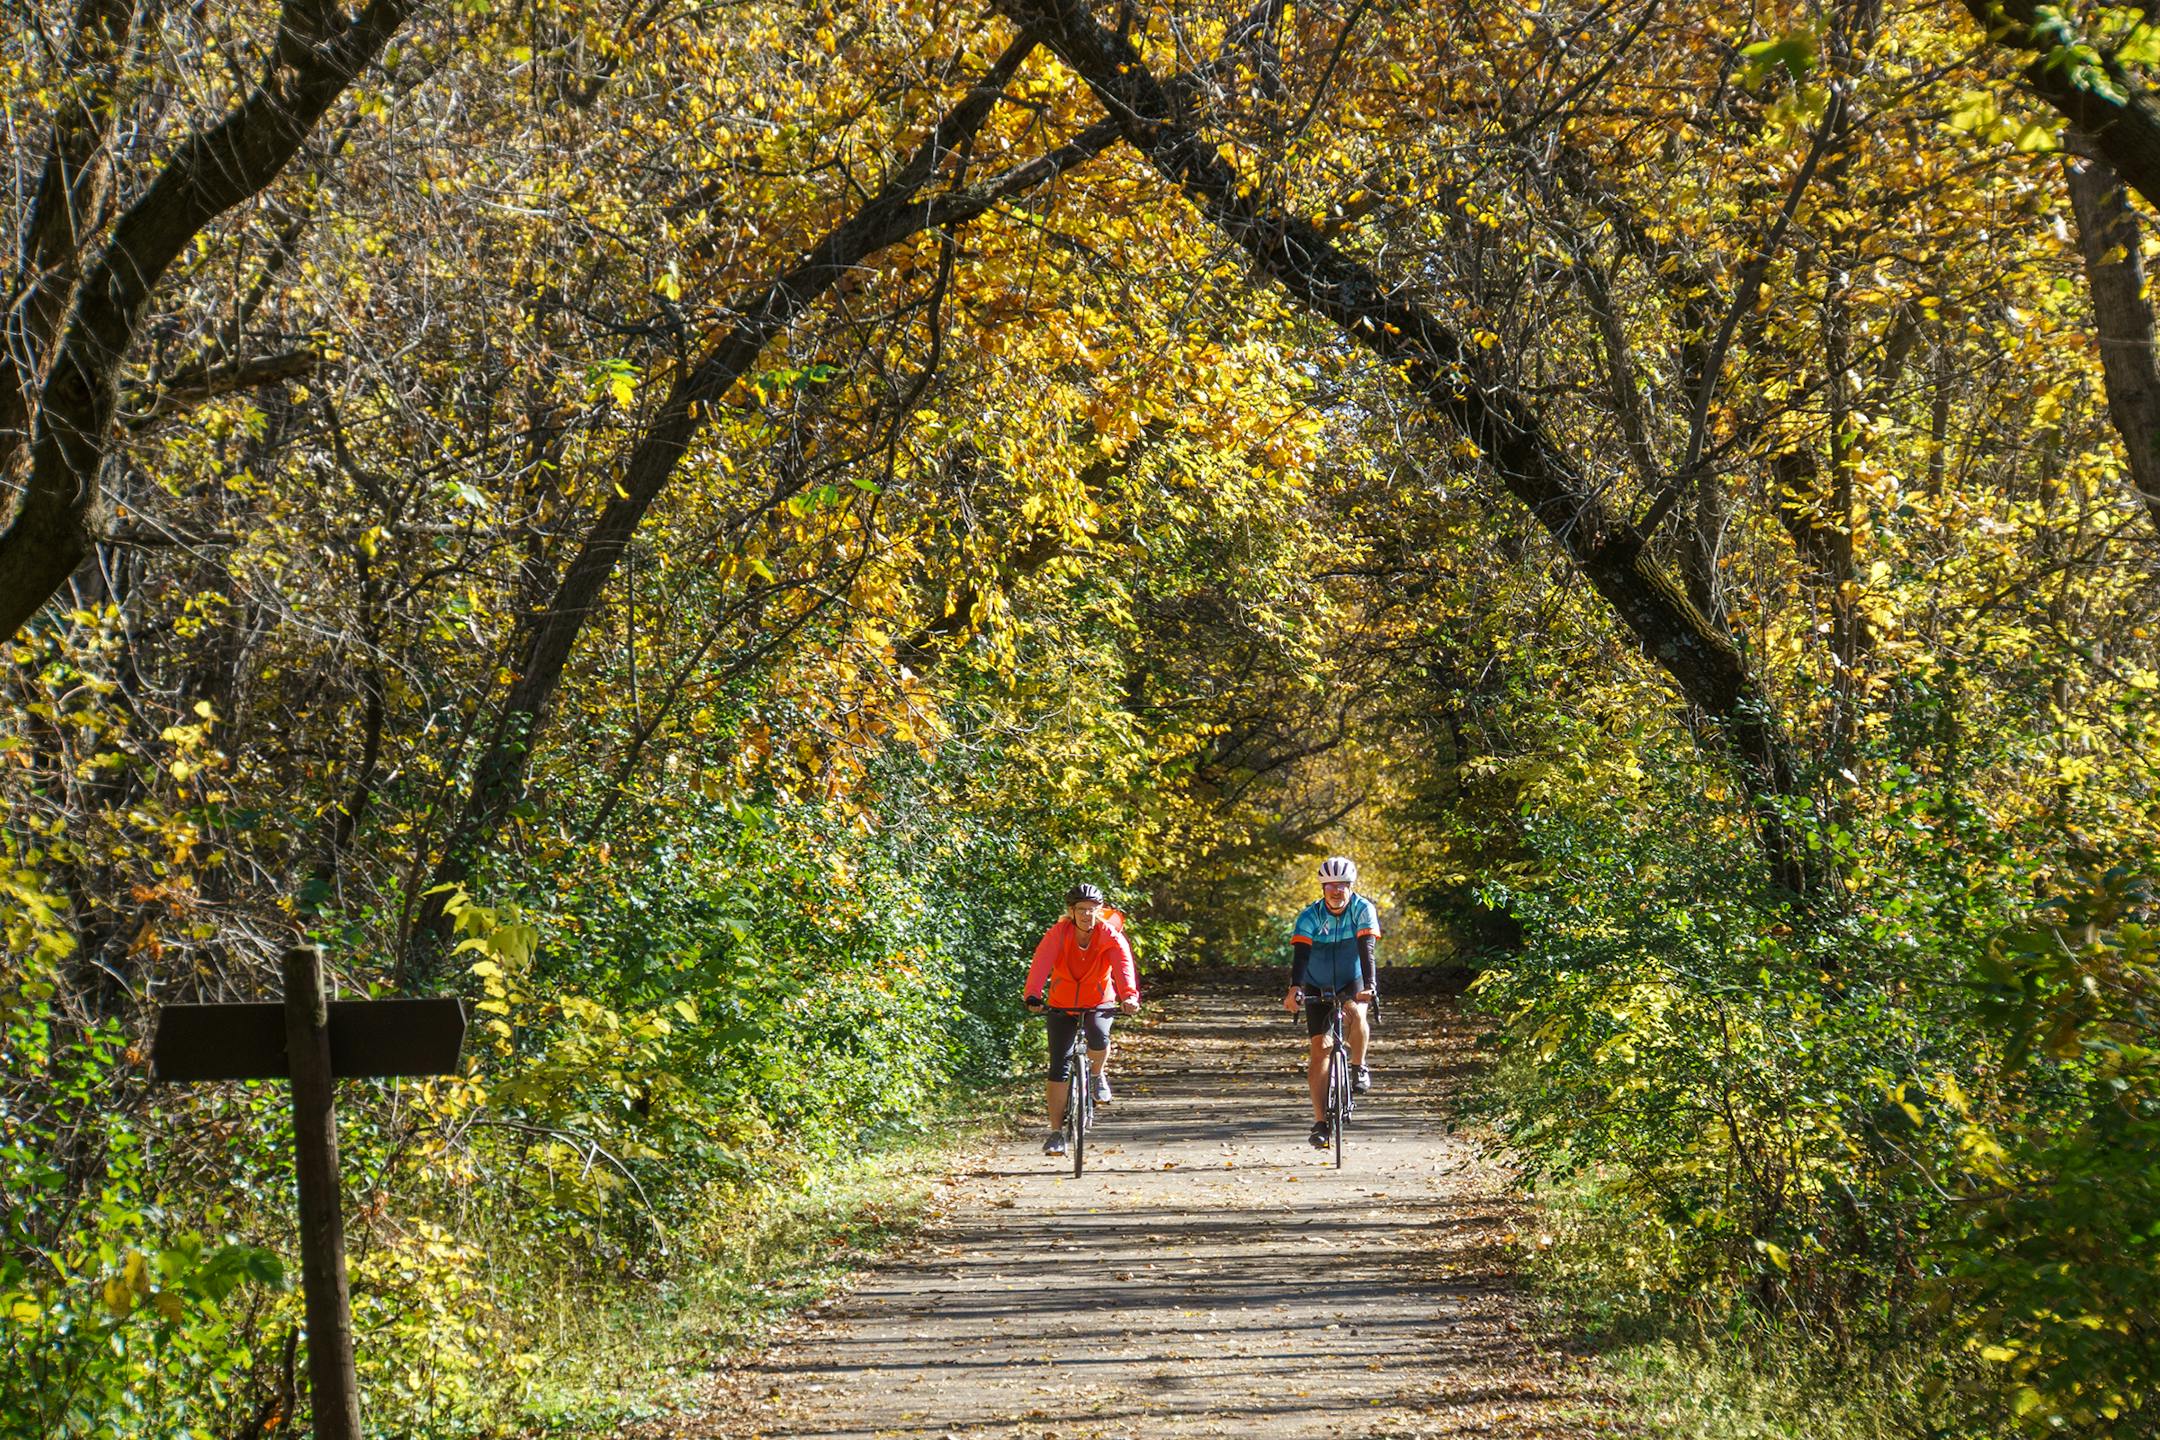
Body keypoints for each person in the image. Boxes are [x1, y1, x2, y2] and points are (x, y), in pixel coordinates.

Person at [1023, 883, 1141, 1156]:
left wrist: (1129, 996)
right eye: (1081, 910)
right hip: (1062, 1003)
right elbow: (1042, 962)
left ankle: (1097, 1075)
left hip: (1098, 1000)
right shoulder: (1058, 933)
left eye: (1091, 910)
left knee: (1099, 1036)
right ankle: (1056, 1134)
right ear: (1071, 912)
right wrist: (1032, 995)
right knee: (1058, 1067)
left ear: (1099, 911)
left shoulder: (1109, 935)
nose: (1087, 915)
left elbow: (1123, 966)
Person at [1280, 855, 1380, 1149]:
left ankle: (1359, 1066)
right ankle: (1321, 1122)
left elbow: (1367, 951)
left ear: (1351, 886)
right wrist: (1295, 989)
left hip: (1353, 980)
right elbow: (1300, 956)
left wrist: (1370, 987)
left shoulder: (1363, 910)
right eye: (1330, 885)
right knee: (1319, 1049)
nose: (1337, 890)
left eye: (1343, 885)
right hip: (1316, 980)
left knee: (1356, 1014)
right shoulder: (1309, 916)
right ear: (1323, 888)